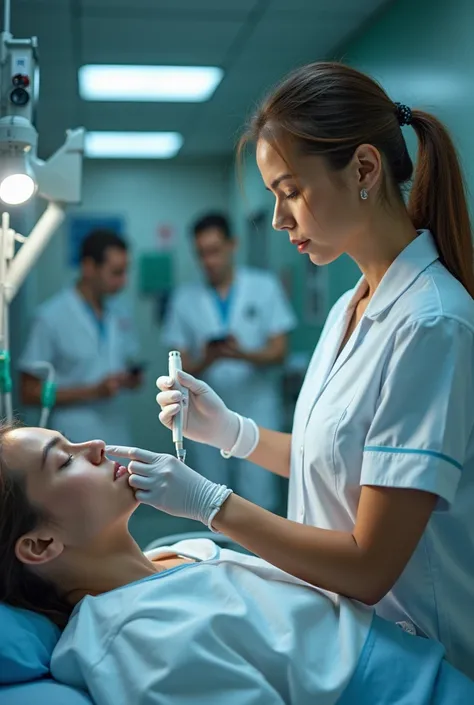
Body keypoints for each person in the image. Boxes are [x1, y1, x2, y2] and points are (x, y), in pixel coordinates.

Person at [155, 61, 474, 679]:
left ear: (362, 169)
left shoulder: (432, 324)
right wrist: (231, 433)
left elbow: (367, 564)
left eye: (290, 191)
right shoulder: (350, 307)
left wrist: (210, 505)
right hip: (343, 640)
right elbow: (340, 462)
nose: (278, 219)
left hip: (418, 663)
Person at [0, 424, 473, 705]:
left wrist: (235, 433)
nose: (95, 446)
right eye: (63, 461)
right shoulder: (133, 640)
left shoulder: (179, 555)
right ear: (40, 545)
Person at [162, 212, 296, 511]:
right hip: (205, 411)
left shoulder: (264, 286)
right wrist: (209, 357)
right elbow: (180, 367)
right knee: (211, 495)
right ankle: (217, 557)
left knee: (258, 494)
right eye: (201, 254)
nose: (209, 261)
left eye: (214, 251)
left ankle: (259, 559)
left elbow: (279, 351)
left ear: (232, 245)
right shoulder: (184, 299)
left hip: (256, 406)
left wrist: (243, 354)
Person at [19, 229, 142, 445]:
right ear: (89, 267)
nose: (123, 281)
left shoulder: (121, 312)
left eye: (125, 272)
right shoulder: (50, 317)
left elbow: (127, 360)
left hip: (117, 432)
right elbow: (28, 392)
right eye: (116, 272)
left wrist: (131, 379)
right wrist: (92, 391)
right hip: (74, 436)